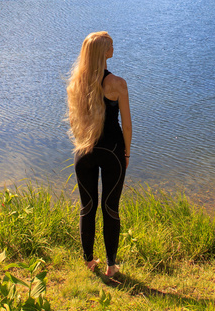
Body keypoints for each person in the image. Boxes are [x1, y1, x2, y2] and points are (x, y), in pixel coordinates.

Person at [66, 31, 132, 279]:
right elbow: (126, 125)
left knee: (88, 206)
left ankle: (88, 260)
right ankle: (111, 265)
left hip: (84, 151)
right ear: (104, 52)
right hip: (113, 152)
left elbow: (74, 122)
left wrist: (84, 142)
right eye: (110, 45)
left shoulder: (77, 82)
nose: (113, 47)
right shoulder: (117, 83)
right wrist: (126, 152)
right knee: (110, 208)